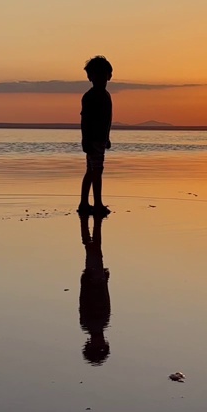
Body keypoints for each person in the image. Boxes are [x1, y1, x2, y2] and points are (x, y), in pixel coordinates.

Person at [79, 55, 113, 215]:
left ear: (109, 76)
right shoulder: (90, 96)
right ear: (90, 77)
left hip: (100, 139)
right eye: (96, 75)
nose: (100, 79)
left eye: (103, 75)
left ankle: (85, 204)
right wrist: (85, 140)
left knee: (92, 170)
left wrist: (107, 138)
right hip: (92, 140)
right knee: (95, 171)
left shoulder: (106, 95)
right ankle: (95, 204)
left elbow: (107, 120)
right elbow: (85, 120)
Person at [78, 212, 111, 365]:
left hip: (93, 280)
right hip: (97, 280)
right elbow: (105, 301)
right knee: (94, 249)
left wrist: (86, 282)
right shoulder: (99, 323)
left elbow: (84, 302)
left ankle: (92, 223)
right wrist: (104, 283)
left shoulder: (89, 323)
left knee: (93, 249)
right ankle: (93, 223)